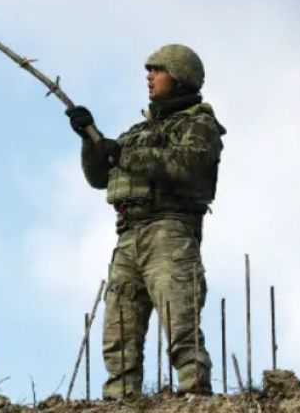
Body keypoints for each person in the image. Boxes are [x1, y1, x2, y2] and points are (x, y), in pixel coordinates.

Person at [66, 43, 226, 399]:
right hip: (128, 235)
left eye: (158, 69)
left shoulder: (200, 125)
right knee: (119, 326)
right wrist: (90, 140)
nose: (149, 76)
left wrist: (123, 153)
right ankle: (120, 399)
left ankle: (194, 394)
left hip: (169, 232)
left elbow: (184, 166)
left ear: (180, 76)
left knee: (180, 318)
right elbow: (100, 177)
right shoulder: (138, 131)